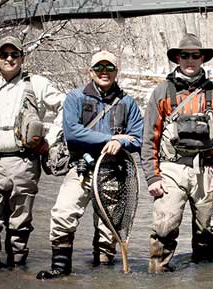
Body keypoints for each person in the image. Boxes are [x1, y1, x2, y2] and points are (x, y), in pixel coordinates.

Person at [36, 50, 143, 279]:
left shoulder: (128, 102)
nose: (104, 72)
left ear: (116, 71)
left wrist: (122, 141)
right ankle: (61, 269)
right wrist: (110, 139)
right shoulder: (75, 98)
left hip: (114, 172)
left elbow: (137, 138)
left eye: (109, 68)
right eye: (99, 68)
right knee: (63, 215)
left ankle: (104, 275)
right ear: (90, 71)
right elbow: (73, 133)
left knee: (108, 231)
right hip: (81, 168)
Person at [141, 33, 213, 273]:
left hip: (205, 171)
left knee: (208, 232)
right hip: (170, 169)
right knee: (164, 227)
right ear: (177, 58)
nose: (190, 60)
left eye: (195, 55)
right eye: (185, 56)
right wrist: (153, 178)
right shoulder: (161, 92)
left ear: (203, 58)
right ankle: (158, 275)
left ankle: (204, 278)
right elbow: (149, 138)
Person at [0, 35, 65, 270]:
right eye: (4, 54)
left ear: (23, 57)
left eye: (15, 54)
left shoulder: (38, 83)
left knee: (20, 224)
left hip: (24, 162)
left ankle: (16, 272)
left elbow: (66, 106)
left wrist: (50, 138)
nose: (9, 58)